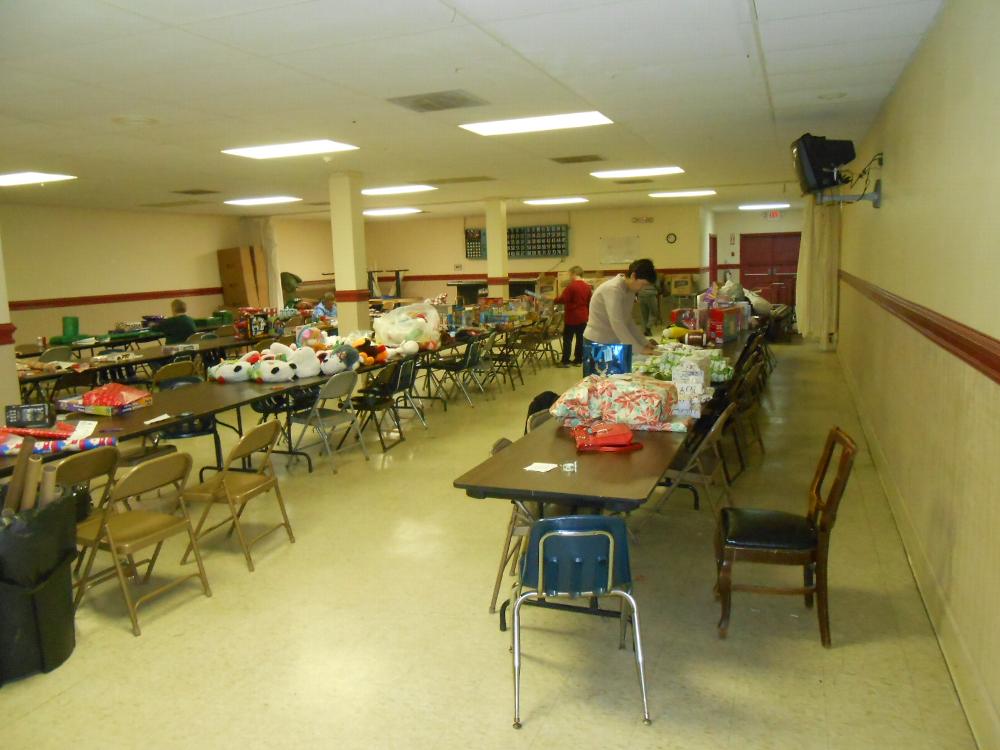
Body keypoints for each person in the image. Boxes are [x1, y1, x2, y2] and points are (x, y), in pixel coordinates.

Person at [583, 258, 659, 357]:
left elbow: (628, 321)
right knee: (600, 372)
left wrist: (644, 342)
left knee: (618, 372)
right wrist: (638, 348)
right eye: (643, 284)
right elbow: (617, 322)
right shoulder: (613, 289)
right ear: (633, 276)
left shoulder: (630, 291)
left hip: (614, 340)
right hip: (597, 341)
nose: (642, 288)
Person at [554, 265, 592, 367]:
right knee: (580, 339)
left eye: (570, 274)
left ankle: (565, 361)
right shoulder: (587, 287)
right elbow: (589, 301)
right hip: (583, 316)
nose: (569, 276)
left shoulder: (571, 286)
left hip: (571, 317)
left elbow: (563, 299)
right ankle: (578, 360)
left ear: (574, 274)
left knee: (568, 339)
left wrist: (553, 300)